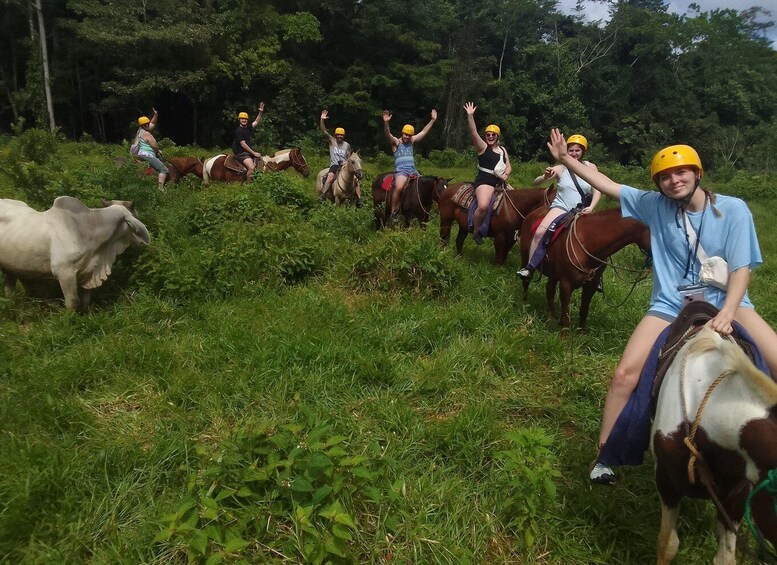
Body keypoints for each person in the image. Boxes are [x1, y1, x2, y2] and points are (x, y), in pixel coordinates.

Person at [543, 128, 777, 485]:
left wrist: (729, 312)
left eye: (681, 172)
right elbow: (606, 184)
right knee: (624, 374)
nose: (673, 180)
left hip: (728, 303)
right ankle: (605, 453)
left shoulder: (732, 209)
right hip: (669, 305)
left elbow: (741, 268)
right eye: (664, 177)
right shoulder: (653, 205)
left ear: (698, 173)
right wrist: (566, 160)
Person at [516, 133, 600, 278]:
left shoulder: (591, 167)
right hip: (561, 208)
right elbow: (536, 182)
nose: (574, 154)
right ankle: (530, 267)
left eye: (577, 150)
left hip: (583, 209)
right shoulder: (561, 168)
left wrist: (592, 207)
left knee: (600, 239)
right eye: (571, 150)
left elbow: (597, 188)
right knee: (540, 232)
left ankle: (596, 276)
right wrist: (545, 177)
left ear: (583, 151)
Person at [463, 102, 512, 244]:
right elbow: (473, 133)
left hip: (500, 181)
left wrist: (506, 175)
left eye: (493, 135)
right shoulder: (482, 147)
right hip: (484, 181)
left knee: (516, 201)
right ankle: (476, 230)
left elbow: (508, 166)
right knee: (483, 205)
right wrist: (470, 116)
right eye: (488, 134)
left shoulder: (503, 150)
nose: (490, 137)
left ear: (497, 136)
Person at [382, 108, 437, 226]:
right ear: (402, 133)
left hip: (413, 171)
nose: (407, 137)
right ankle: (393, 212)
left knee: (426, 185)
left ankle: (425, 210)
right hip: (401, 172)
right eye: (405, 134)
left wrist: (432, 120)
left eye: (409, 135)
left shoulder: (412, 141)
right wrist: (386, 122)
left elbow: (423, 132)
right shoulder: (396, 143)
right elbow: (388, 134)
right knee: (399, 187)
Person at [319, 110, 361, 206]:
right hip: (334, 164)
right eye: (338, 135)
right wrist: (322, 119)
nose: (339, 136)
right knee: (330, 177)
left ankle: (359, 199)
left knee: (355, 179)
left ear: (343, 136)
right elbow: (323, 131)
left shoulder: (347, 145)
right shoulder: (332, 141)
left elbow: (348, 157)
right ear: (335, 135)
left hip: (345, 165)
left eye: (341, 135)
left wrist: (346, 162)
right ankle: (324, 194)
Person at [135, 108, 168, 191]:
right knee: (163, 169)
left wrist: (155, 115)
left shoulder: (140, 131)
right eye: (145, 124)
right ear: (142, 125)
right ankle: (160, 189)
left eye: (147, 124)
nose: (147, 125)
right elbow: (154, 146)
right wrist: (159, 151)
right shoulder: (147, 134)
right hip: (148, 155)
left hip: (141, 154)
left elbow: (152, 123)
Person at [232, 102, 265, 182]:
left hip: (247, 152)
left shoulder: (248, 128)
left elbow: (256, 122)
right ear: (239, 119)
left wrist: (260, 112)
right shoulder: (239, 131)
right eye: (242, 119)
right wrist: (254, 153)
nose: (244, 120)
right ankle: (248, 185)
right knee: (252, 167)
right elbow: (243, 145)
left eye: (245, 119)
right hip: (241, 153)